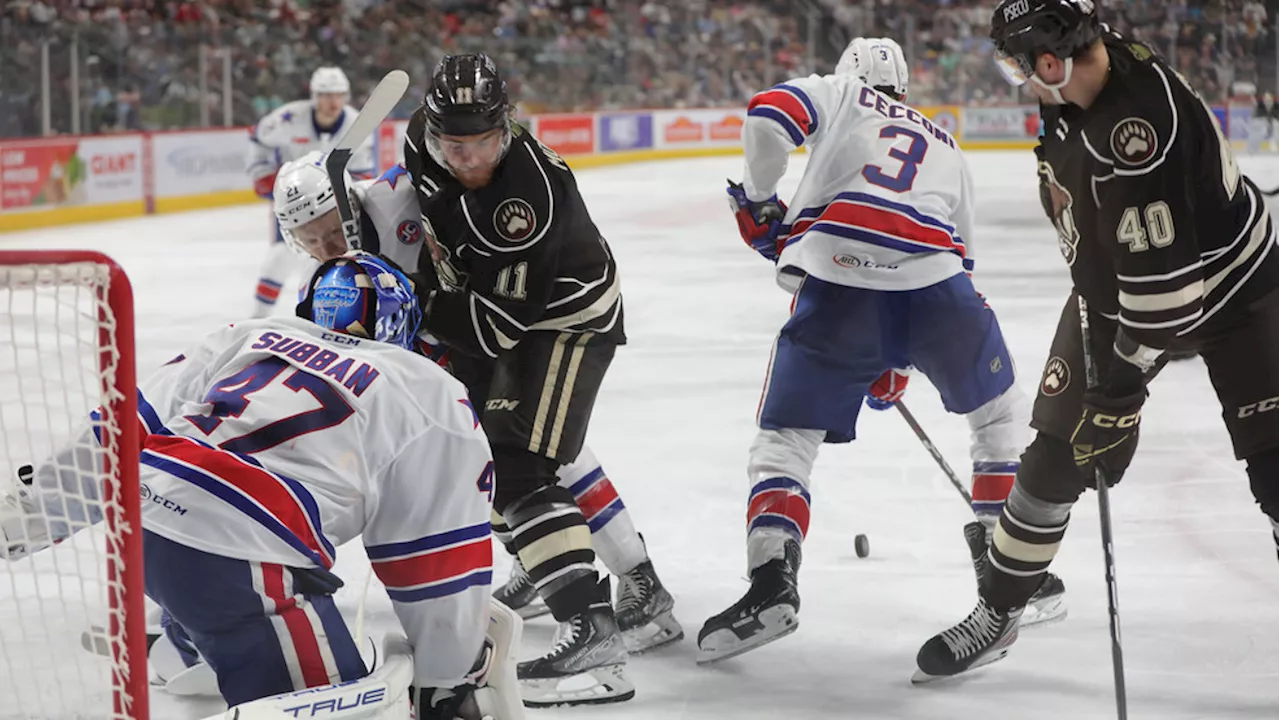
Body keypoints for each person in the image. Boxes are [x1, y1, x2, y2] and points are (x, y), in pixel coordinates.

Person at [914, 0, 1280, 682]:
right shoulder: (1089, 68)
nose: (1021, 79)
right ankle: (999, 611)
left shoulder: (1133, 135)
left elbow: (1166, 301)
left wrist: (1120, 393)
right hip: (1118, 291)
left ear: (1051, 63)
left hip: (1236, 289)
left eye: (1023, 66)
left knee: (1278, 465)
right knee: (1055, 457)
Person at [1, 253, 512, 718]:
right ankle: (211, 636)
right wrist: (446, 681)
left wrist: (33, 512)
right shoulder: (429, 390)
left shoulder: (249, 333)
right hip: (239, 554)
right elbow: (435, 559)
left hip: (142, 521)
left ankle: (186, 640)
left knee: (209, 585)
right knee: (336, 705)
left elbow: (121, 426)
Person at [696, 37, 1064, 665]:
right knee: (998, 421)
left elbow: (768, 113)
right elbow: (959, 258)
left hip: (838, 291)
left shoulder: (840, 94)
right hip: (939, 289)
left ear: (848, 75)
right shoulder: (945, 141)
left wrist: (762, 200)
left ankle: (770, 584)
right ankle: (1009, 578)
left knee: (786, 441)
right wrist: (898, 354)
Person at [273, 151, 682, 652]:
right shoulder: (322, 285)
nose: (326, 249)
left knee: (544, 456)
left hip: (500, 332)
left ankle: (638, 575)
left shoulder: (398, 197)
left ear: (350, 203)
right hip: (443, 371)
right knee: (479, 472)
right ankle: (538, 562)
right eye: (310, 241)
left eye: (332, 231)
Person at [401, 52, 671, 706]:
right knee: (478, 450)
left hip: (567, 323)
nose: (467, 159)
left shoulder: (527, 197)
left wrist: (416, 303)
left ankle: (594, 630)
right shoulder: (420, 140)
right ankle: (555, 562)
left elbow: (497, 326)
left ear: (508, 127)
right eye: (453, 145)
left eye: (483, 143)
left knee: (521, 463)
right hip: (494, 310)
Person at [246, 67, 373, 318]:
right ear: (314, 96)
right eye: (326, 95)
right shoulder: (289, 118)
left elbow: (362, 174)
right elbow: (257, 136)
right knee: (281, 256)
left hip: (330, 206)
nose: (332, 101)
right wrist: (259, 171)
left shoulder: (356, 123)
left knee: (331, 259)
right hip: (294, 201)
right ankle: (258, 319)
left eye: (338, 95)